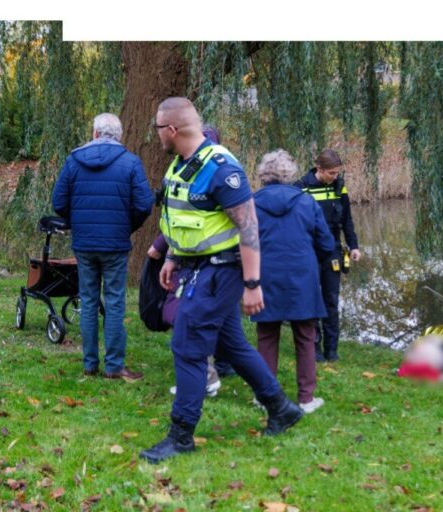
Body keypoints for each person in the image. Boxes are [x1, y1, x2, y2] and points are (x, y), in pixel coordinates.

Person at [139, 97, 302, 464]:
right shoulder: (180, 167)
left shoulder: (221, 168)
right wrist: (172, 257)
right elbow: (181, 219)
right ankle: (281, 408)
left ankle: (180, 436)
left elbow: (249, 227)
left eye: (157, 130)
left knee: (188, 345)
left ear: (171, 130)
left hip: (220, 271)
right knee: (231, 346)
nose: (156, 138)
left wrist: (252, 284)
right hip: (193, 265)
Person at [52, 113, 154, 381]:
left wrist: (78, 222)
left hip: (84, 243)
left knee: (87, 300)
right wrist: (126, 226)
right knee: (115, 301)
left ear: (95, 133)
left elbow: (59, 202)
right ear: (118, 136)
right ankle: (114, 366)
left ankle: (89, 364)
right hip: (115, 244)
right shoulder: (130, 163)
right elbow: (144, 204)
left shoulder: (74, 161)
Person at [251, 150, 335, 414]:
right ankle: (306, 398)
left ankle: (264, 396)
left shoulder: (250, 203)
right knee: (305, 336)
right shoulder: (307, 202)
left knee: (267, 336)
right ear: (289, 173)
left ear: (263, 173)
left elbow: (240, 241)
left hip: (265, 275)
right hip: (302, 276)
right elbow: (327, 243)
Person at [294, 150, 361, 362]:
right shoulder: (300, 188)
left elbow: (347, 219)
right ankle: (315, 349)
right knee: (311, 299)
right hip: (308, 253)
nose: (335, 176)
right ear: (319, 169)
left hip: (332, 251)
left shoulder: (339, 187)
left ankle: (332, 350)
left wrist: (353, 245)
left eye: (337, 173)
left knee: (331, 300)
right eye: (331, 173)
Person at [146, 233, 222, 397]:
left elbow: (177, 220)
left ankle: (204, 377)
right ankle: (204, 377)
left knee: (186, 323)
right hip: (197, 260)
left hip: (193, 263)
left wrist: (161, 244)